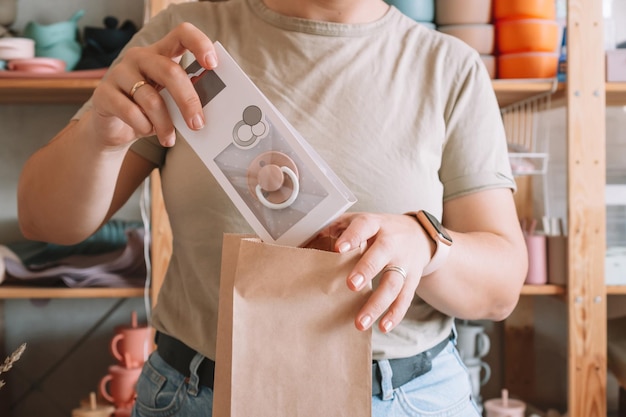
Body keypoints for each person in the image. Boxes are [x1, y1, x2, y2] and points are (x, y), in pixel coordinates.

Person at [17, 0, 528, 416]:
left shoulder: (449, 67)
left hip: (404, 398)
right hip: (199, 394)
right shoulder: (184, 41)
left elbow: (501, 288)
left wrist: (426, 244)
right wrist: (101, 137)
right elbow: (44, 220)